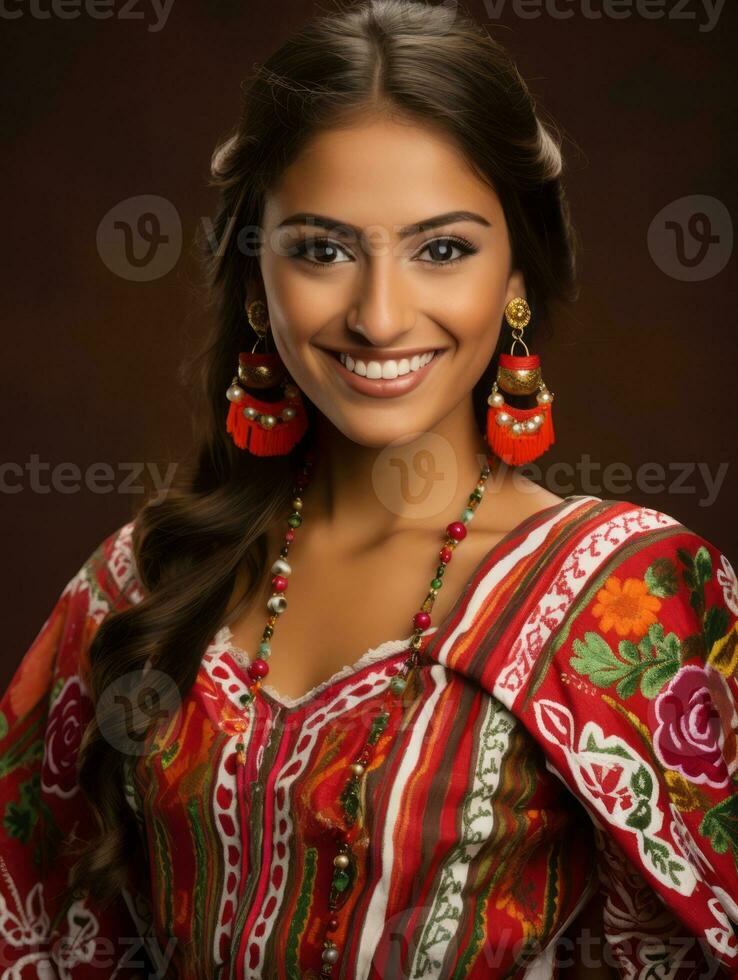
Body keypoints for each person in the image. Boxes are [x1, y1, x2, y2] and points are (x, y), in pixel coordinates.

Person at [1, 2, 736, 977]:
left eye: (442, 248)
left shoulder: (627, 595)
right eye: (321, 248)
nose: (380, 316)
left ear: (514, 270)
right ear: (256, 276)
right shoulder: (141, 581)